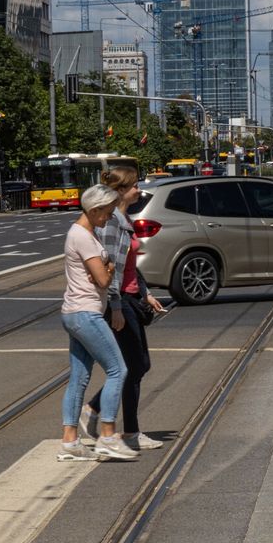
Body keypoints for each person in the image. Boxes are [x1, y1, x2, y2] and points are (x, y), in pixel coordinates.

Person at [80, 167, 167, 451]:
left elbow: (130, 266)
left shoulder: (123, 217)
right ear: (120, 191)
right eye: (134, 186)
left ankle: (96, 409)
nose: (139, 191)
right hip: (120, 301)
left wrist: (146, 292)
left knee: (138, 365)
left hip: (131, 296)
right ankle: (127, 431)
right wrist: (116, 307)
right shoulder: (113, 222)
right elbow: (111, 270)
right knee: (134, 365)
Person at [58, 184, 139, 462]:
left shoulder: (84, 233)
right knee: (118, 369)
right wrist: (108, 268)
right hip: (86, 313)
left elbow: (98, 277)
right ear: (93, 210)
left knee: (79, 377)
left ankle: (70, 441)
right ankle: (107, 435)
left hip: (75, 312)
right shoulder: (82, 236)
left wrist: (101, 272)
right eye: (105, 212)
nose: (108, 218)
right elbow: (104, 280)